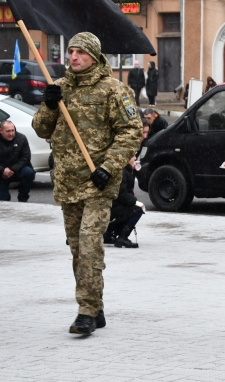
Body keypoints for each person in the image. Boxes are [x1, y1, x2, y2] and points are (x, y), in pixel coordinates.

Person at [33, 32, 142, 336]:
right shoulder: (61, 88)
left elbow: (130, 132)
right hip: (68, 183)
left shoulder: (113, 90)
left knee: (91, 244)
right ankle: (96, 305)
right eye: (71, 51)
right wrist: (50, 105)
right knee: (78, 249)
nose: (74, 57)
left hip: (98, 182)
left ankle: (86, 311)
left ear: (94, 56)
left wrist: (109, 167)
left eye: (80, 52)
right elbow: (41, 127)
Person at [103, 156, 144, 248]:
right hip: (114, 204)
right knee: (138, 210)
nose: (135, 158)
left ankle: (110, 234)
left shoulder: (127, 170)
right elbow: (121, 193)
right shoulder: (122, 171)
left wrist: (136, 171)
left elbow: (143, 180)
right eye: (132, 156)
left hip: (116, 203)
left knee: (131, 210)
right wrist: (135, 202)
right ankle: (123, 237)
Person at [0, 120, 35, 202]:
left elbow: (26, 157)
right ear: (1, 131)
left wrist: (12, 169)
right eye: (8, 131)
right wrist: (2, 170)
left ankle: (23, 197)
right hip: (1, 172)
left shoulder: (21, 138)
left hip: (16, 169)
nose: (11, 134)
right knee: (3, 199)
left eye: (12, 131)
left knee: (29, 172)